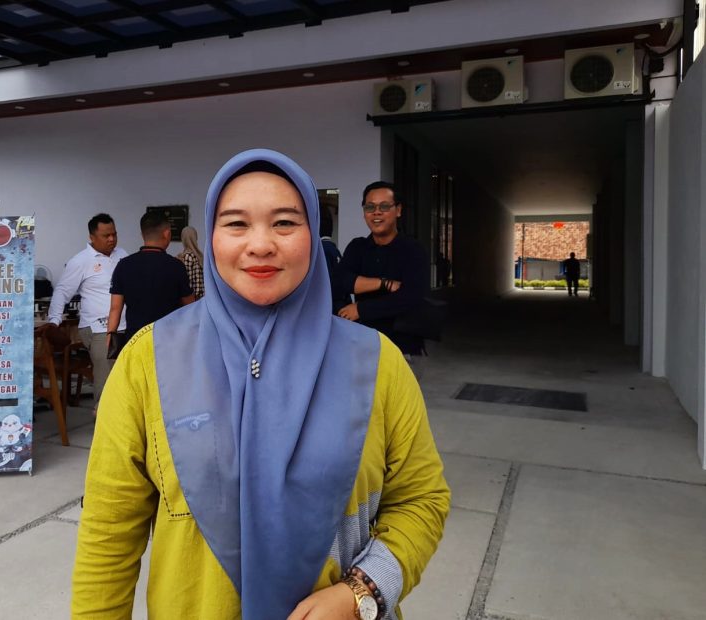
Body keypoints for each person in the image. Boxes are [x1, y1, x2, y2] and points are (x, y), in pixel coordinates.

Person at [72, 149, 449, 619]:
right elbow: (108, 531)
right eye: (236, 224)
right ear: (211, 236)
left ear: (313, 234)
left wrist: (362, 591)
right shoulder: (148, 360)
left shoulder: (375, 361)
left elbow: (421, 499)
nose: (261, 244)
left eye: (285, 223)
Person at [332, 181, 430, 359]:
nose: (376, 212)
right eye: (370, 207)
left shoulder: (413, 250)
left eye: (384, 206)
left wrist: (361, 309)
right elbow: (339, 282)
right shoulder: (357, 247)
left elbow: (411, 297)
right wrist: (384, 284)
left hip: (403, 348)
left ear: (398, 210)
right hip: (363, 344)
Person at [47, 213, 128, 408]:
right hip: (99, 328)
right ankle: (102, 416)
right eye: (106, 235)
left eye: (114, 234)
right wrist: (54, 321)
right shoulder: (81, 261)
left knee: (126, 378)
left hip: (126, 325)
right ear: (92, 237)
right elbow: (62, 291)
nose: (111, 239)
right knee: (106, 377)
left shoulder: (122, 255)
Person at [106, 211, 195, 352]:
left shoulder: (124, 265)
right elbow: (190, 306)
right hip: (168, 341)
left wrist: (111, 334)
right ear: (167, 234)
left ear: (142, 235)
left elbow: (115, 308)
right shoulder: (176, 266)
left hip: (135, 341)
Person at [176, 225, 205, 299]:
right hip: (200, 298)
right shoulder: (199, 256)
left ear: (183, 239)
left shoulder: (187, 256)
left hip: (191, 299)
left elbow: (186, 282)